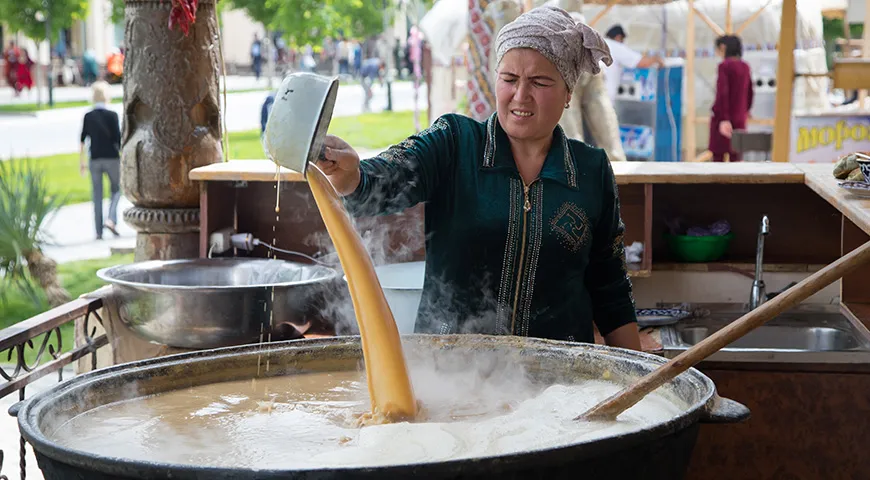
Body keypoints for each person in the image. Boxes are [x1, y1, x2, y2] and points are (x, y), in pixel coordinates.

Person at [317, 6, 641, 350]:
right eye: (510, 79)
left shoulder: (591, 170)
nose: (520, 96)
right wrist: (352, 174)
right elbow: (384, 181)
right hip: (450, 373)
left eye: (540, 82)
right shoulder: (455, 142)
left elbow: (611, 288)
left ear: (567, 93)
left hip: (558, 379)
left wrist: (638, 377)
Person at [80, 81, 122, 240]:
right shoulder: (112, 115)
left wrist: (82, 163)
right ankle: (111, 219)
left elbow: (82, 140)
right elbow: (118, 139)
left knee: (96, 195)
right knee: (117, 190)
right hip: (112, 158)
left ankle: (98, 231)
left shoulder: (88, 116)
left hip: (95, 159)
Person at [710, 35, 754, 163]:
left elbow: (722, 93)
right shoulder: (745, 67)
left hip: (723, 119)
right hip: (740, 118)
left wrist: (724, 118)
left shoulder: (724, 66)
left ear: (723, 48)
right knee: (736, 158)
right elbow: (750, 92)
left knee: (718, 159)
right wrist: (746, 110)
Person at [601, 24, 663, 102]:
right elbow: (641, 63)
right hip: (604, 96)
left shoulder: (599, 44)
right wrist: (656, 59)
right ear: (618, 37)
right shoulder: (614, 46)